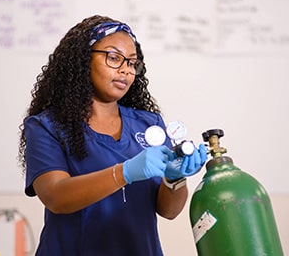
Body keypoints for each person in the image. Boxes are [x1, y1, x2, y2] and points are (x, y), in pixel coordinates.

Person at [18, 15, 207, 256]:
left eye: (131, 63)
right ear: (82, 59)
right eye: (114, 58)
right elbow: (56, 197)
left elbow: (168, 211)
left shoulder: (149, 126)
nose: (125, 70)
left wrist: (175, 178)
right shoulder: (47, 125)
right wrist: (124, 172)